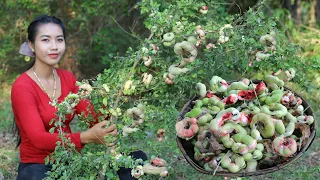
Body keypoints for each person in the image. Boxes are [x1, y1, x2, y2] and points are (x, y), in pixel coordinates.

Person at [12, 15, 146, 180]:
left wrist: (111, 101)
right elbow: (38, 139)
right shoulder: (22, 86)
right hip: (37, 167)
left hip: (71, 163)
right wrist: (85, 137)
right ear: (31, 45)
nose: (54, 47)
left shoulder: (67, 78)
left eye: (59, 40)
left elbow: (93, 118)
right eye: (45, 40)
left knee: (136, 160)